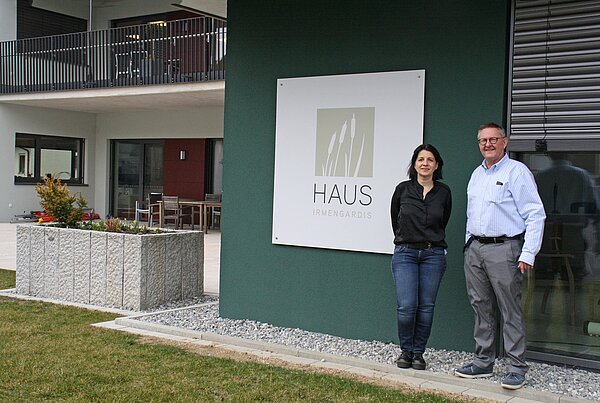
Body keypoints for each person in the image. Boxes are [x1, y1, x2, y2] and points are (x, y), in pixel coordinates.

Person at [455, 123, 545, 390]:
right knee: (480, 305)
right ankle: (483, 362)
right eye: (483, 140)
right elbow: (473, 215)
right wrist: (469, 245)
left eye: (494, 139)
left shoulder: (517, 172)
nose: (488, 144)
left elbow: (535, 214)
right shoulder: (476, 174)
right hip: (476, 250)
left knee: (510, 308)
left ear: (505, 142)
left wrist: (528, 252)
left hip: (504, 249)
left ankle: (517, 367)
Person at [390, 144, 452, 370]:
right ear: (414, 164)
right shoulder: (402, 190)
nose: (425, 163)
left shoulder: (444, 192)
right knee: (407, 306)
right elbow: (395, 220)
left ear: (437, 165)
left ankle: (418, 353)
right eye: (420, 159)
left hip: (433, 255)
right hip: (405, 253)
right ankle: (405, 350)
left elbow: (443, 221)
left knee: (426, 306)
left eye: (430, 160)